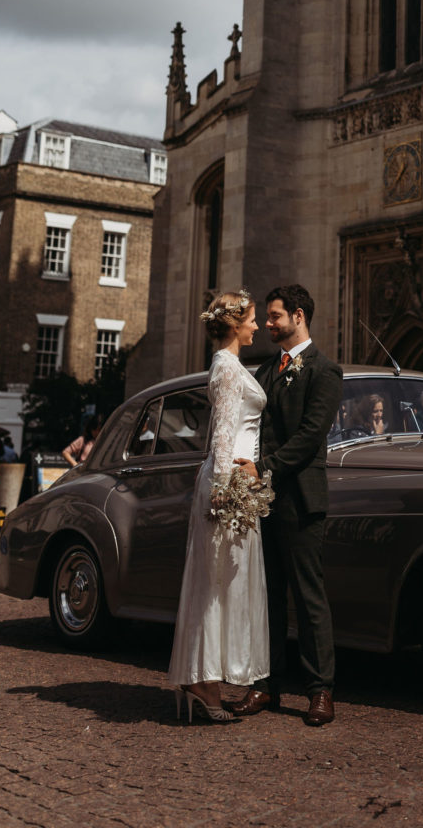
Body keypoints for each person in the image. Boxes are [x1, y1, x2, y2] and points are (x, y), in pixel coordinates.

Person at [237, 284, 343, 727]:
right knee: (268, 599)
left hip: (301, 499)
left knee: (308, 597)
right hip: (265, 502)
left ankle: (320, 692)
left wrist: (263, 468)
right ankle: (265, 684)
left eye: (275, 316)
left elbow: (310, 436)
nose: (268, 324)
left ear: (298, 316)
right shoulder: (263, 372)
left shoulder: (325, 370)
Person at [166, 289, 269, 724]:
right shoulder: (227, 368)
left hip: (233, 480)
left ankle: (206, 679)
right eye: (252, 319)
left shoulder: (230, 365)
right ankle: (203, 682)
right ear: (233, 324)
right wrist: (225, 491)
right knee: (216, 581)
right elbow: (224, 433)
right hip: (229, 484)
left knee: (224, 582)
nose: (258, 325)